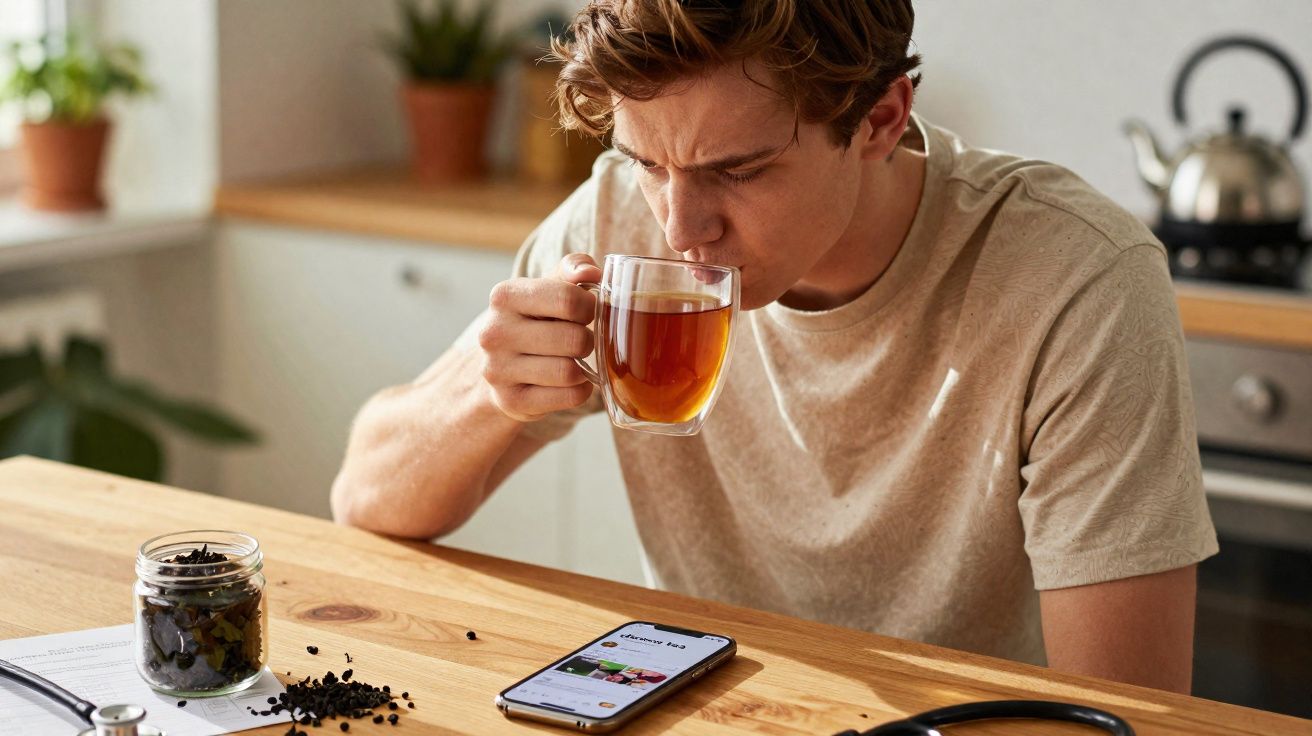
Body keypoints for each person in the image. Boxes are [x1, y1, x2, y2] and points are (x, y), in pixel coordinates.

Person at [331, 0, 1217, 694]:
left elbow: (1129, 709)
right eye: (646, 160)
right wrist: (488, 395)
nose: (681, 227)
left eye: (739, 171)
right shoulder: (612, 228)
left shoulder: (1077, 280)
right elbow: (363, 498)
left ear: (879, 119)